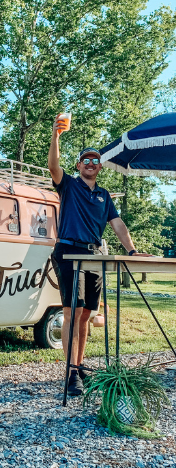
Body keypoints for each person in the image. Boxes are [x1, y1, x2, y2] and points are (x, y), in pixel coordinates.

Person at [48, 114, 149, 396]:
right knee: (72, 312)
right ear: (79, 165)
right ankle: (70, 374)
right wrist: (56, 136)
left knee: (88, 314)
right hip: (69, 251)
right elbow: (53, 165)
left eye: (95, 161)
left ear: (99, 167)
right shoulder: (68, 185)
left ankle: (79, 367)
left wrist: (131, 249)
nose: (91, 164)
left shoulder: (104, 195)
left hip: (96, 255)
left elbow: (117, 225)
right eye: (86, 160)